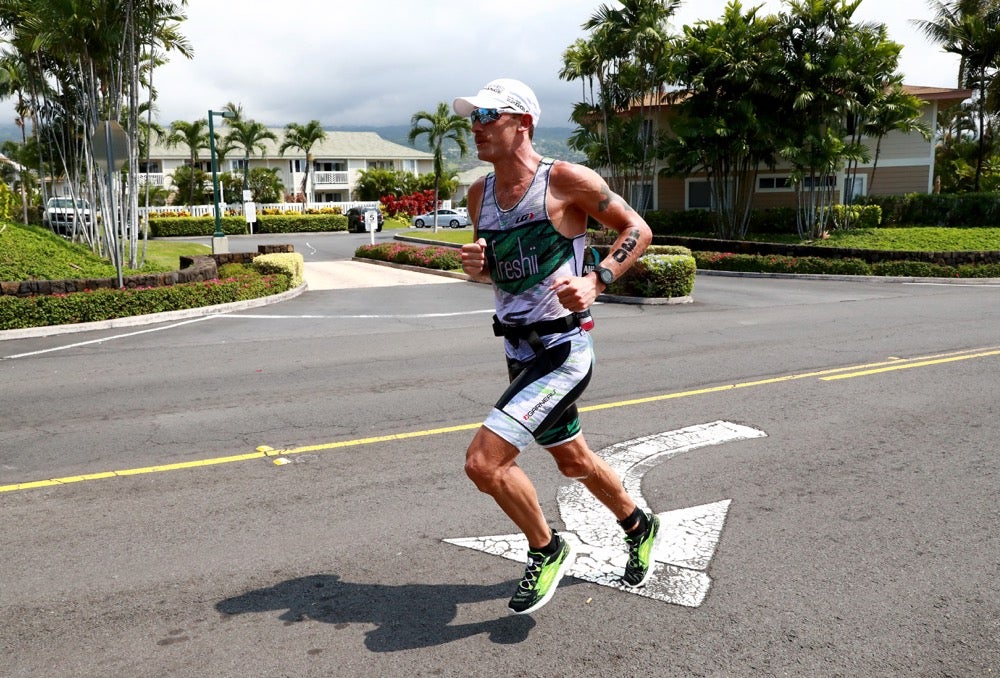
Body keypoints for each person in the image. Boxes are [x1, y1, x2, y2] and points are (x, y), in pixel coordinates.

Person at [453, 78, 657, 615]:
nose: (475, 126)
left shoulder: (563, 180)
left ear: (522, 123)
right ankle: (639, 524)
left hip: (563, 349)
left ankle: (547, 547)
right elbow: (499, 270)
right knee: (573, 460)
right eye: (472, 117)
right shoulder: (480, 195)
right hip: (518, 351)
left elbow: (637, 228)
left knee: (484, 463)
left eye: (486, 115)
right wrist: (479, 267)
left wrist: (597, 281)